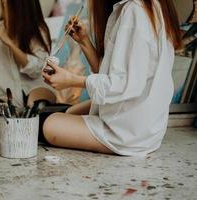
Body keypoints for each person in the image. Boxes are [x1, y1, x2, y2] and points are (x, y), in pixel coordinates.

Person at [42, 0, 182, 156]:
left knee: (50, 124)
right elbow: (112, 75)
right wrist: (84, 41)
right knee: (70, 111)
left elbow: (125, 85)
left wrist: (72, 80)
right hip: (141, 123)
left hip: (129, 132)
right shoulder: (143, 7)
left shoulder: (135, 11)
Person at [0, 0, 56, 108]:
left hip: (34, 91)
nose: (3, 5)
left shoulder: (36, 29)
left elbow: (36, 69)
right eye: (2, 2)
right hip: (7, 98)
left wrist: (9, 42)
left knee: (33, 107)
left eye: (7, 3)